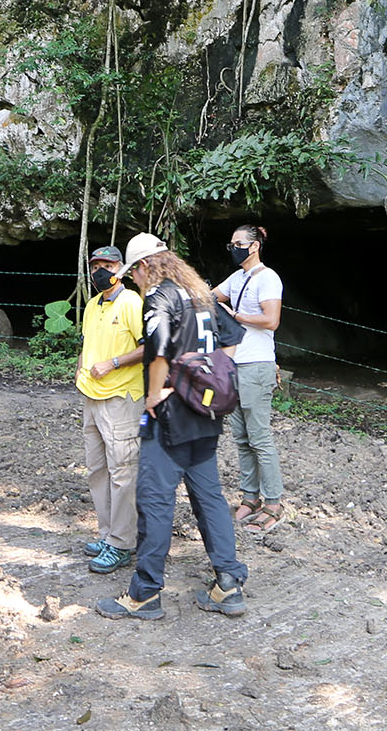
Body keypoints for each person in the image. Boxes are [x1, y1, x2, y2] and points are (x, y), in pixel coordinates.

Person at [96, 233, 247, 622]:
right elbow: (231, 341)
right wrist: (207, 377)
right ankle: (228, 584)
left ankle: (145, 593)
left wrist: (155, 393)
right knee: (210, 498)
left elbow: (158, 347)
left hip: (171, 418)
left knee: (155, 501)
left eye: (134, 274)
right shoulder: (200, 294)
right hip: (206, 414)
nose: (133, 281)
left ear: (146, 266)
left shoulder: (161, 296)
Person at [75, 245, 144, 574]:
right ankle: (107, 535)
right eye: (96, 265)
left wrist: (114, 363)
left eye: (108, 264)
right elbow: (87, 343)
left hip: (121, 397)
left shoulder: (131, 302)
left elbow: (150, 346)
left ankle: (122, 542)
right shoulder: (91, 305)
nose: (101, 270)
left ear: (122, 267)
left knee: (122, 471)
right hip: (91, 396)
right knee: (97, 471)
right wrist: (80, 369)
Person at [214, 224, 286, 533]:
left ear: (254, 246)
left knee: (260, 437)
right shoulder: (238, 277)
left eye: (238, 243)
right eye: (231, 244)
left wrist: (235, 315)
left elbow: (271, 321)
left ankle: (273, 502)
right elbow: (210, 296)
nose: (233, 248)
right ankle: (250, 498)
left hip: (256, 365)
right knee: (241, 438)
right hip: (236, 365)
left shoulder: (267, 278)